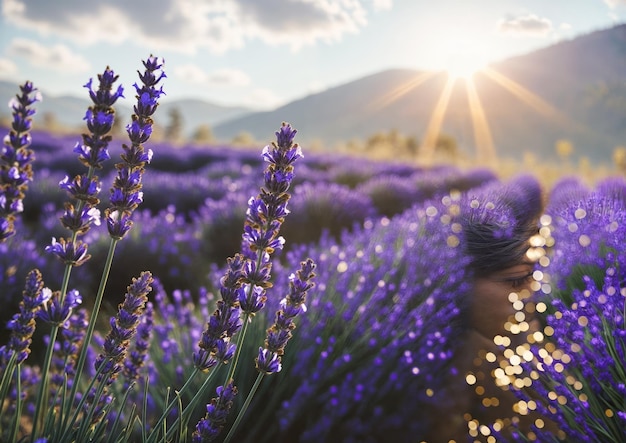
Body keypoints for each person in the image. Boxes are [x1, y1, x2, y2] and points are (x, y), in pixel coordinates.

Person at [425, 175, 546, 441]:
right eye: (514, 282)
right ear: (459, 280)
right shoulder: (436, 380)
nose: (528, 297)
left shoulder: (485, 355)